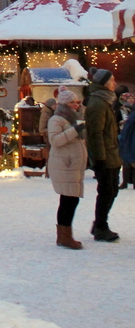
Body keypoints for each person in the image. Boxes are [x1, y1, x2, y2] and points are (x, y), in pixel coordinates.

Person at [47, 89, 87, 249]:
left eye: (77, 102)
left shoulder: (73, 118)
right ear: (64, 104)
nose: (76, 105)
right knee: (69, 200)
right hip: (64, 165)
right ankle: (65, 236)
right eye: (72, 102)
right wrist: (74, 131)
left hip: (72, 166)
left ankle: (65, 235)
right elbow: (55, 140)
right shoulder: (56, 119)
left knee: (69, 199)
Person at [85, 69, 121, 241]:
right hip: (105, 156)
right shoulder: (97, 104)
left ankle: (100, 223)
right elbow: (95, 134)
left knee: (112, 190)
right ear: (104, 83)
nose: (115, 82)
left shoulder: (105, 101)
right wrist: (99, 158)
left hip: (112, 153)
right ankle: (100, 226)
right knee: (106, 191)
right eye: (112, 80)